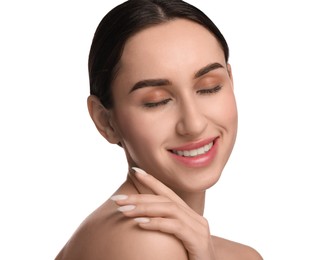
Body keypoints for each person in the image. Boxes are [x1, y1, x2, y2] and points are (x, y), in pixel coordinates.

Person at [56, 0, 262, 259]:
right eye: (157, 101)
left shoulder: (238, 255)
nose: (194, 124)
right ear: (105, 121)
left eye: (209, 87)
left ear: (231, 81)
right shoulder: (146, 244)